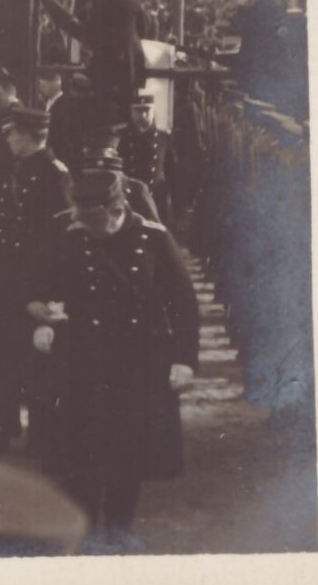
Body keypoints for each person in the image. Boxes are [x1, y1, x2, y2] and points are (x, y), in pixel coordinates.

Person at [25, 169, 200, 550]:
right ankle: (84, 527)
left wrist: (184, 360)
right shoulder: (65, 234)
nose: (89, 230)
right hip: (78, 358)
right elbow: (36, 284)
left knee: (127, 450)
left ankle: (120, 527)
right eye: (82, 222)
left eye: (97, 223)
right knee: (79, 447)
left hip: (137, 361)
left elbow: (184, 302)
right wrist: (40, 313)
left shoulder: (153, 238)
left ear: (118, 208)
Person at [0, 108, 71, 453]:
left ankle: (42, 431)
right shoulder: (16, 168)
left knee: (36, 355)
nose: (9, 139)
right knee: (1, 353)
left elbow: (61, 233)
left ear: (29, 137)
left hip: (35, 280)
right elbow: (3, 224)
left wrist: (51, 284)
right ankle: (5, 424)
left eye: (13, 134)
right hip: (5, 277)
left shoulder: (55, 174)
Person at [118, 92, 176, 226]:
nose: (142, 116)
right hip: (129, 199)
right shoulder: (121, 138)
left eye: (147, 110)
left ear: (153, 111)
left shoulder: (164, 137)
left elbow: (172, 172)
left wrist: (175, 205)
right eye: (138, 111)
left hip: (156, 199)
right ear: (131, 112)